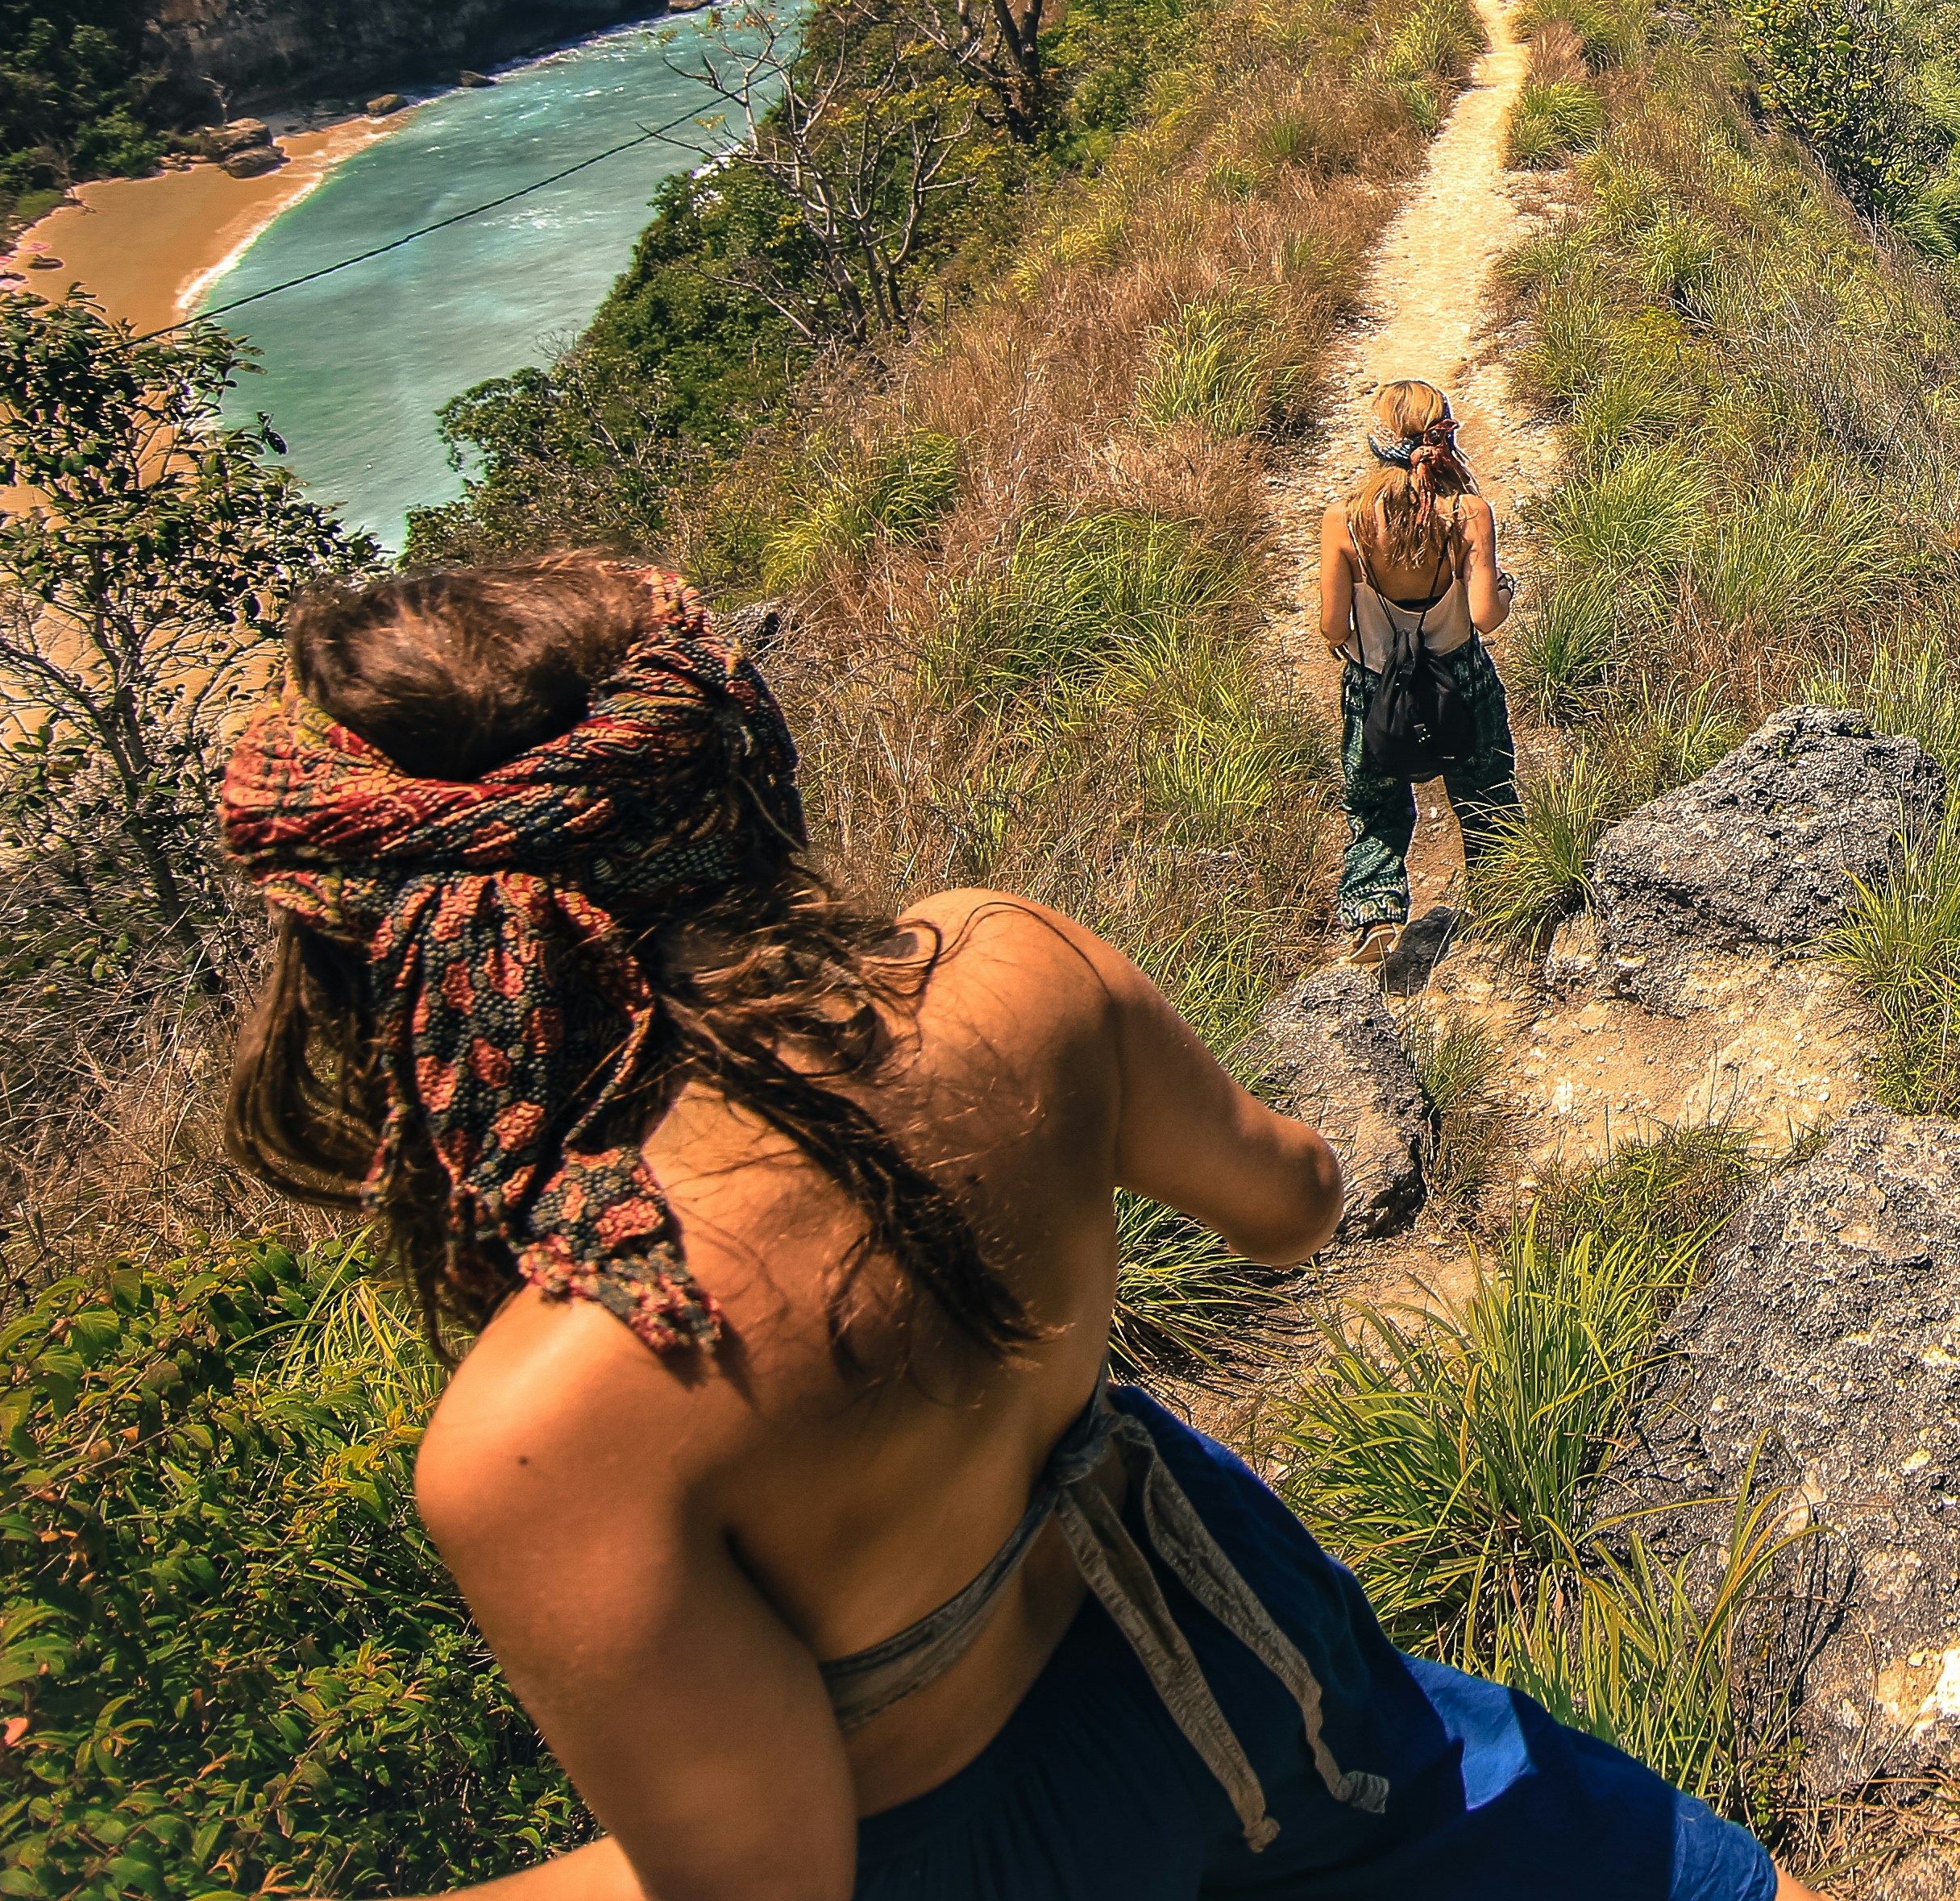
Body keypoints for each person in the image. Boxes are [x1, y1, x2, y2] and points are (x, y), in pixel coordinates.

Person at [216, 554, 1803, 1901]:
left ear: (406, 973)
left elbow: (770, 1874)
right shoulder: (1002, 969)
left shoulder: (539, 1425)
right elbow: (1287, 1203)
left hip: (976, 1839)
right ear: (727, 781)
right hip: (1227, 1633)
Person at [1307, 381, 1514, 974]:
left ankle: (1375, 913)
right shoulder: (1466, 512)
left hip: (1375, 685)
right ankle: (1506, 895)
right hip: (1461, 674)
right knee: (1485, 791)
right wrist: (1503, 593)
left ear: (1378, 443)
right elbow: (1483, 617)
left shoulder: (1344, 520)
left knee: (1374, 804)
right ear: (1442, 436)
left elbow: (1330, 624)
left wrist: (1354, 647)